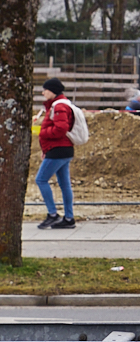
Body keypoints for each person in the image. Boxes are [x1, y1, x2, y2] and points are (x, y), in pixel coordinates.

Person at [35, 78, 77, 229]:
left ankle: (52, 214)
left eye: (45, 89)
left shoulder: (58, 106)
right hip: (62, 149)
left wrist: (43, 133)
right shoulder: (58, 104)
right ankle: (69, 218)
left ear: (52, 90)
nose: (43, 92)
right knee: (64, 184)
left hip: (57, 150)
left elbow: (61, 129)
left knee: (40, 180)